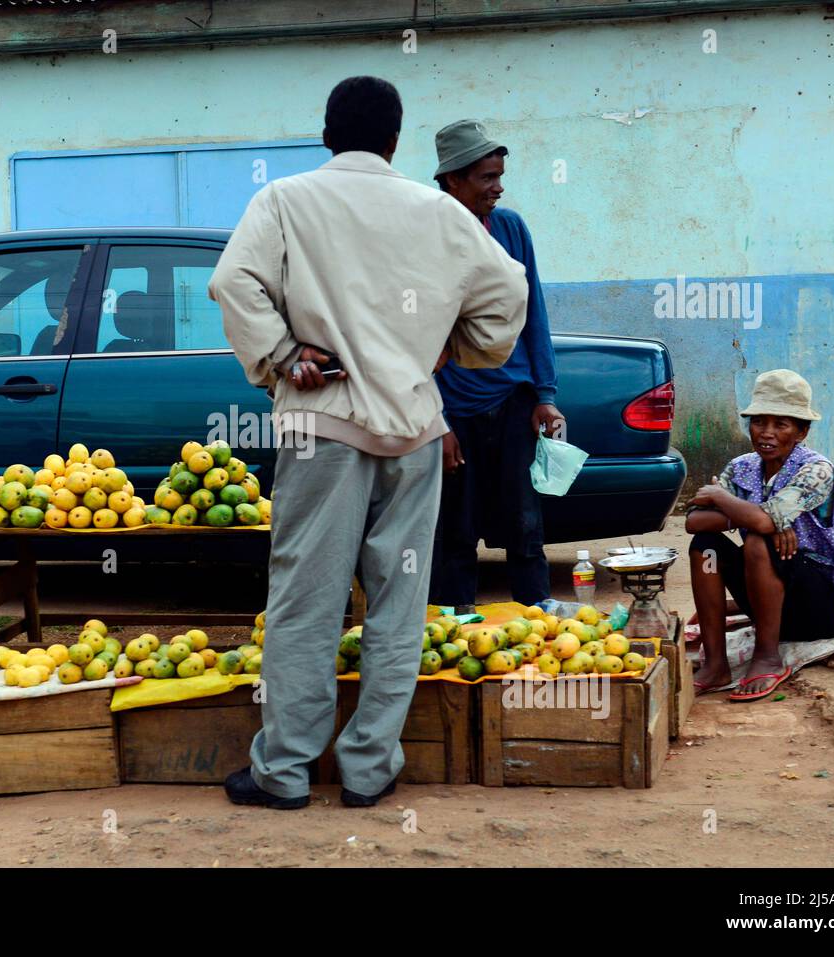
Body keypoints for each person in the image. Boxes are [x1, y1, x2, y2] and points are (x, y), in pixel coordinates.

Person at [208, 77, 528, 809]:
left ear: (328, 134)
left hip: (322, 428)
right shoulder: (438, 211)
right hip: (413, 431)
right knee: (398, 602)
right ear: (395, 141)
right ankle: (369, 766)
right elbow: (508, 294)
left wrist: (286, 355)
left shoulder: (285, 200)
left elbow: (234, 284)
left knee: (304, 601)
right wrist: (459, 345)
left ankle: (283, 771)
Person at [427, 119, 561, 609]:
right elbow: (417, 336)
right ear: (453, 180)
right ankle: (456, 629)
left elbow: (534, 312)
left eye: (500, 175)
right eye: (487, 177)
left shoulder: (510, 227)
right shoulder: (425, 235)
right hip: (452, 409)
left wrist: (544, 395)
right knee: (454, 529)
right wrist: (434, 421)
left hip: (512, 401)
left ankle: (540, 624)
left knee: (526, 525)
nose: (498, 187)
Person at [685, 369, 834, 702]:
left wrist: (720, 498)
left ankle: (767, 657)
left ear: (801, 431)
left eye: (781, 424)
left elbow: (761, 522)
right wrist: (765, 518)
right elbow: (694, 522)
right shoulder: (742, 467)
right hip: (766, 599)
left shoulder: (816, 468)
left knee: (757, 538)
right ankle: (717, 664)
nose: (766, 433)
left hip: (819, 605)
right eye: (759, 422)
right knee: (705, 547)